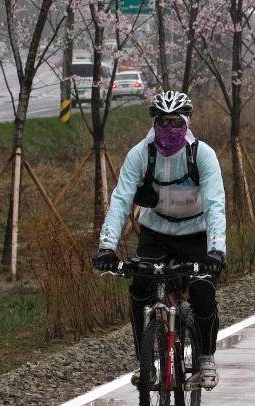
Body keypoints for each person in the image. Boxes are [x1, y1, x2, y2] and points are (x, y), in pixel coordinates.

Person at [94, 90, 227, 389]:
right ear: (153, 123)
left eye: (176, 123)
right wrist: (107, 246)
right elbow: (120, 200)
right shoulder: (140, 154)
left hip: (196, 232)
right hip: (156, 232)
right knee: (141, 286)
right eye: (162, 123)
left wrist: (216, 251)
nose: (169, 130)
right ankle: (145, 361)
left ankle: (205, 356)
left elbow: (216, 203)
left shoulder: (202, 155)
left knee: (203, 291)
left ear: (187, 123)